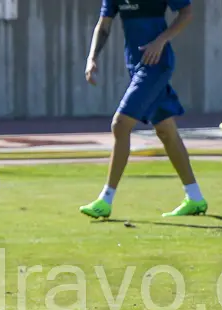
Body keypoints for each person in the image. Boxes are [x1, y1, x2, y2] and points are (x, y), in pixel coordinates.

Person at [79, 0, 207, 219]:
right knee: (166, 131)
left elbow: (186, 13)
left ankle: (106, 200)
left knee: (120, 125)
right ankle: (195, 197)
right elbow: (104, 25)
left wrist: (161, 41)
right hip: (136, 65)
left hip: (156, 65)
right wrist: (92, 58)